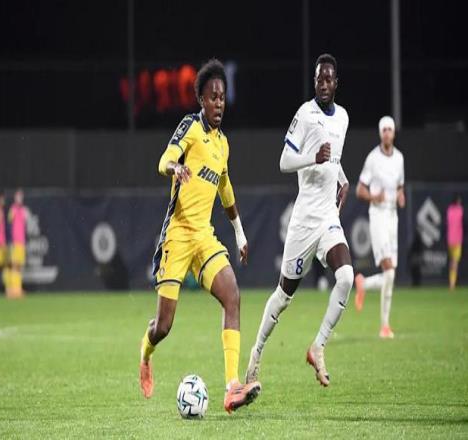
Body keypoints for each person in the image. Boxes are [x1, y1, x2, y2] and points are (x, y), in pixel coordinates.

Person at [139, 59, 261, 413]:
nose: (218, 103)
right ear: (201, 100)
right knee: (163, 327)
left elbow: (226, 190)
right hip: (177, 236)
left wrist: (239, 234)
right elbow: (164, 159)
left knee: (232, 296)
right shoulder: (190, 127)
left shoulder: (223, 144)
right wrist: (175, 167)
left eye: (222, 97)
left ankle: (232, 387)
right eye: (212, 97)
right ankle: (145, 353)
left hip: (204, 237)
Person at [246, 54, 353, 388]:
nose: (323, 84)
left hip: (328, 218)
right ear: (315, 82)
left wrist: (342, 179)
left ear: (336, 83)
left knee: (346, 277)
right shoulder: (305, 114)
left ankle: (318, 346)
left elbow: (334, 158)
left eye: (328, 79)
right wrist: (313, 157)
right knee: (283, 297)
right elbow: (284, 161)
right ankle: (255, 354)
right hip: (304, 221)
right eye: (319, 78)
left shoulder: (343, 118)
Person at [354, 116, 405, 339]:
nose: (386, 133)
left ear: (393, 133)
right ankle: (384, 326)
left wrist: (401, 196)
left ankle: (364, 284)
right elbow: (359, 189)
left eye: (389, 129)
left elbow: (400, 186)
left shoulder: (399, 158)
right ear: (380, 133)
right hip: (378, 216)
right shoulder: (373, 158)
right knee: (390, 271)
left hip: (393, 216)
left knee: (390, 274)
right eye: (383, 130)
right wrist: (374, 197)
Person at [7, 189, 27, 299]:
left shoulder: (23, 210)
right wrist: (10, 241)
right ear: (15, 197)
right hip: (15, 242)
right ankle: (12, 290)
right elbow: (8, 225)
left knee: (18, 266)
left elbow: (24, 226)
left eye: (21, 196)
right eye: (18, 196)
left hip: (21, 242)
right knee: (14, 265)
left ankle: (17, 289)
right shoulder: (12, 209)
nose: (20, 198)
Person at [447, 195, 463, 290]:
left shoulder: (449, 210)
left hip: (450, 240)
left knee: (452, 261)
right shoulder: (460, 210)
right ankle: (452, 284)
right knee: (455, 262)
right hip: (457, 240)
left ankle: (451, 283)